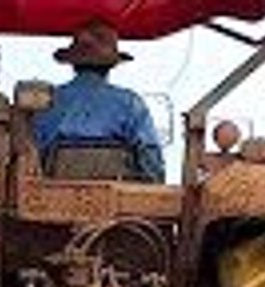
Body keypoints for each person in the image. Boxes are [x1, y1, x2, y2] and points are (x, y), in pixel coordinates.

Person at [33, 21, 166, 183]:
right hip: (120, 197)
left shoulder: (50, 100)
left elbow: (34, 149)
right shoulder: (130, 102)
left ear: (74, 63)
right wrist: (155, 187)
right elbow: (149, 152)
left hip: (55, 193)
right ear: (111, 65)